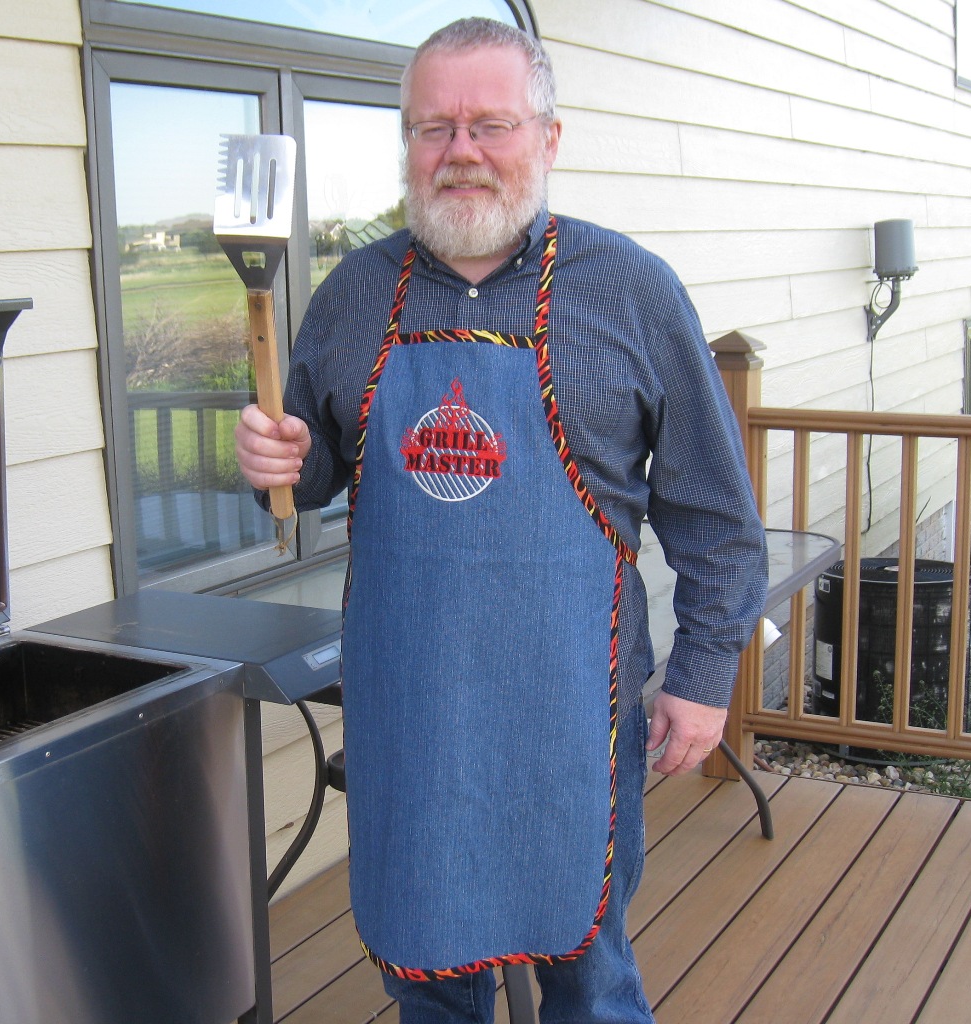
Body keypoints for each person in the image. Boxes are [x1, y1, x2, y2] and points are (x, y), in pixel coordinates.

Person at [235, 16, 768, 1024]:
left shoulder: (631, 291)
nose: (460, 152)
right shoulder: (353, 294)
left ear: (548, 138)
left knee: (585, 976)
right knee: (427, 977)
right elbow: (304, 474)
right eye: (431, 128)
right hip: (410, 720)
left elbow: (714, 516)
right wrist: (272, 460)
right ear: (406, 147)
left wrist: (702, 680)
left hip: (573, 718)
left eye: (490, 123)